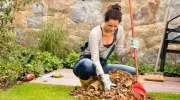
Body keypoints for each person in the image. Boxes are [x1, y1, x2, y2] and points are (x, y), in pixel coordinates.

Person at [73, 4, 139, 90]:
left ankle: (98, 81)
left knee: (133, 71)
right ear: (105, 21)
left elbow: (120, 53)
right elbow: (95, 59)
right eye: (110, 25)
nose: (112, 29)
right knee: (87, 65)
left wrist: (131, 49)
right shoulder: (95, 33)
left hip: (102, 65)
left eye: (115, 26)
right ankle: (86, 85)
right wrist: (103, 77)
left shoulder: (120, 30)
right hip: (87, 64)